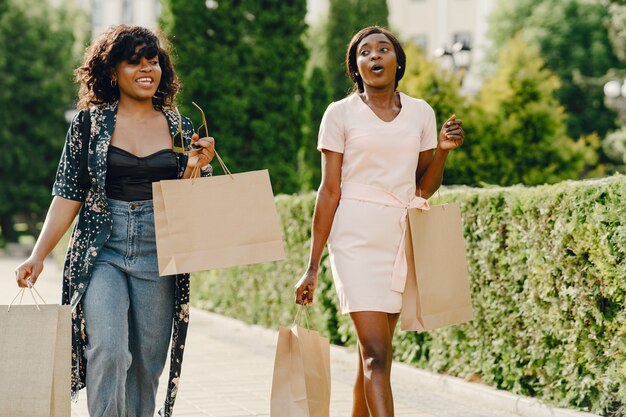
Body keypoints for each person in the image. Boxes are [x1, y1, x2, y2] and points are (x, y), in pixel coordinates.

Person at [14, 25, 215, 417]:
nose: (147, 69)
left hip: (158, 253)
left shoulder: (180, 127)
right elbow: (68, 194)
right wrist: (38, 256)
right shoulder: (89, 125)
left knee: (146, 363)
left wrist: (196, 166)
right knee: (108, 349)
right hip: (102, 250)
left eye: (153, 61)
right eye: (134, 61)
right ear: (112, 71)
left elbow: (193, 206)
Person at [294, 26, 465, 416]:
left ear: (397, 61)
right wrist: (311, 266)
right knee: (375, 353)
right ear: (356, 67)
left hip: (399, 235)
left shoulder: (421, 112)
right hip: (353, 238)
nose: (374, 56)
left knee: (374, 356)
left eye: (383, 49)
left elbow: (422, 189)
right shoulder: (339, 114)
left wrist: (442, 151)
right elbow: (329, 191)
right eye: (364, 52)